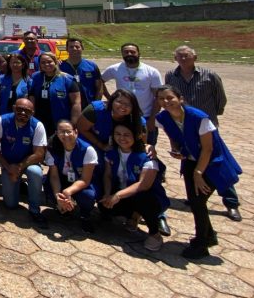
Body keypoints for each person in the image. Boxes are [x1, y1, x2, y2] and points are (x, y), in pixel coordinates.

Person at [155, 85, 242, 259]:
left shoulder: (199, 118)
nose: (166, 102)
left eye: (170, 97)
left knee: (198, 201)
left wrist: (199, 173)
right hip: (190, 162)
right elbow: (172, 134)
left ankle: (202, 243)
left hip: (211, 165)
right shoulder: (163, 117)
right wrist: (176, 148)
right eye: (161, 99)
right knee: (196, 202)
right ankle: (207, 236)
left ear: (180, 99)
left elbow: (208, 149)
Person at [164, 45, 239, 221]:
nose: (183, 58)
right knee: (189, 163)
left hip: (206, 126)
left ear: (195, 57)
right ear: (175, 58)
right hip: (184, 127)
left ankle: (231, 203)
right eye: (179, 56)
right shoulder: (171, 76)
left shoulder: (209, 75)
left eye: (187, 55)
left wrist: (210, 117)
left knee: (215, 165)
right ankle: (195, 196)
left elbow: (221, 99)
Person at [99, 124, 168, 252]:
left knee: (143, 198)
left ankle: (154, 234)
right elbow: (107, 175)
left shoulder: (147, 156)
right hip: (124, 193)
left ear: (137, 136)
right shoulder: (112, 152)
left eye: (126, 135)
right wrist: (107, 194)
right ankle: (132, 217)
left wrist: (117, 196)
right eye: (118, 134)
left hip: (148, 197)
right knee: (103, 205)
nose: (122, 138)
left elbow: (143, 185)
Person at [0, 98, 48, 227]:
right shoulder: (1, 121)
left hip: (28, 164)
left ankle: (34, 209)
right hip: (8, 163)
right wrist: (7, 166)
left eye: (27, 111)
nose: (23, 113)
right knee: (10, 204)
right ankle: (19, 187)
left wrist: (19, 167)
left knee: (36, 173)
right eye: (20, 109)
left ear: (32, 113)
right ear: (14, 108)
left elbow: (39, 154)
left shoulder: (37, 126)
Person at [44, 120, 99, 232]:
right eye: (61, 132)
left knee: (88, 195)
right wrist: (58, 196)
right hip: (62, 178)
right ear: (56, 133)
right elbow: (54, 176)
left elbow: (85, 180)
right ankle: (62, 208)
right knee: (49, 186)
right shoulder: (52, 148)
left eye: (68, 131)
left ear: (76, 132)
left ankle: (85, 216)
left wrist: (67, 192)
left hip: (80, 182)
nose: (65, 135)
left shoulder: (88, 150)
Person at [101, 43, 162, 143]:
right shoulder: (114, 69)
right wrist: (110, 98)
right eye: (126, 52)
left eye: (133, 52)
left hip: (145, 116)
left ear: (139, 53)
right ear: (122, 54)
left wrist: (152, 119)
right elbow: (100, 81)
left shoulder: (152, 72)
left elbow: (158, 97)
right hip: (122, 116)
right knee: (122, 144)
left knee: (147, 146)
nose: (129, 54)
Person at [28, 52, 80, 134]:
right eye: (43, 62)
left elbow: (76, 103)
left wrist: (73, 123)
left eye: (49, 62)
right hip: (39, 120)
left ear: (55, 62)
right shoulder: (35, 77)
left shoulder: (67, 79)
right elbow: (31, 96)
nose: (46, 64)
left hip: (61, 121)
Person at [60, 38, 103, 108]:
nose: (74, 49)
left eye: (77, 47)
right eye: (71, 47)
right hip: (67, 106)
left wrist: (95, 104)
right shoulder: (60, 66)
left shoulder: (92, 66)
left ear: (82, 48)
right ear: (67, 49)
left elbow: (99, 87)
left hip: (88, 105)